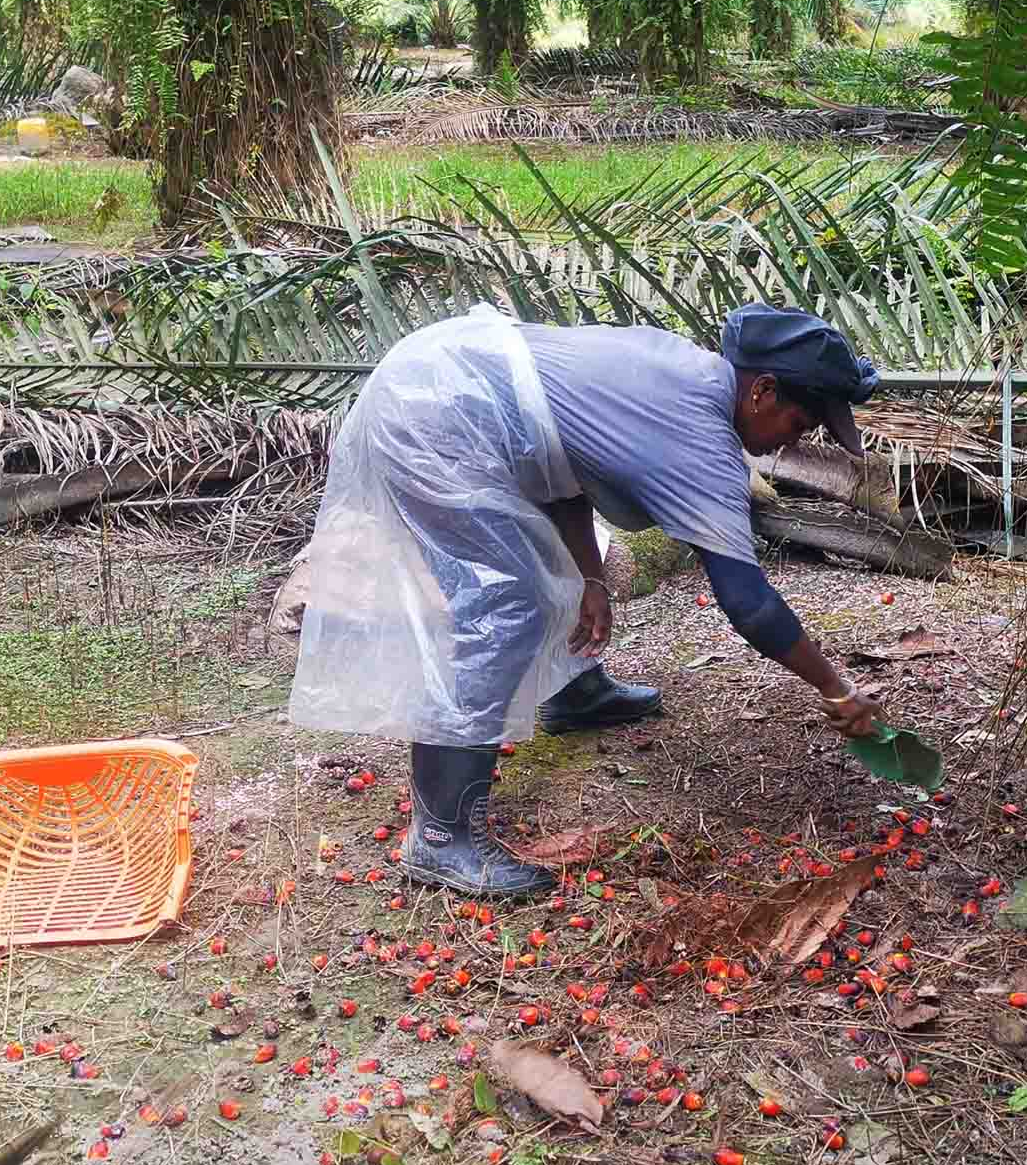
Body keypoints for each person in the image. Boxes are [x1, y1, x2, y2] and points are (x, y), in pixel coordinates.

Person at [289, 302, 888, 897]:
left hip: (450, 376)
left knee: (541, 567)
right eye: (799, 425)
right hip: (435, 415)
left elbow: (560, 461)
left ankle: (572, 691)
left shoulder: (679, 367)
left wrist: (592, 581)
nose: (794, 441)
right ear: (762, 391)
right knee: (503, 606)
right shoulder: (698, 438)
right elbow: (748, 604)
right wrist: (836, 688)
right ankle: (440, 838)